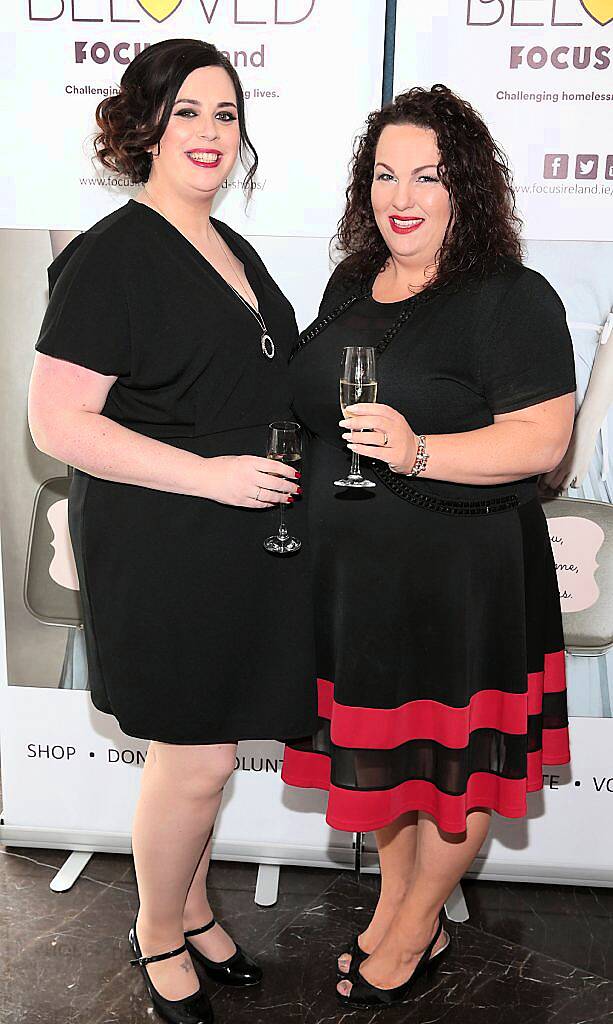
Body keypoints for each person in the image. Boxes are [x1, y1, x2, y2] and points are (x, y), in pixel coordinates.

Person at [28, 38, 315, 1024]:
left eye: (226, 113)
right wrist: (208, 473)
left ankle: (191, 908)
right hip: (163, 538)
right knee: (194, 757)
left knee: (208, 750)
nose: (209, 132)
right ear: (143, 125)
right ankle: (155, 934)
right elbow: (56, 422)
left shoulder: (230, 247)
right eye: (187, 110)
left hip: (237, 538)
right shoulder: (111, 254)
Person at [281, 84, 576, 1008]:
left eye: (428, 176)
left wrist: (420, 450)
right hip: (353, 582)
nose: (400, 195)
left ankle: (411, 929)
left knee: (454, 771)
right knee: (399, 769)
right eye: (384, 174)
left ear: (468, 189)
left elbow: (540, 440)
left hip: (462, 578)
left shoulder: (510, 296)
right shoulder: (347, 284)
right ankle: (406, 904)